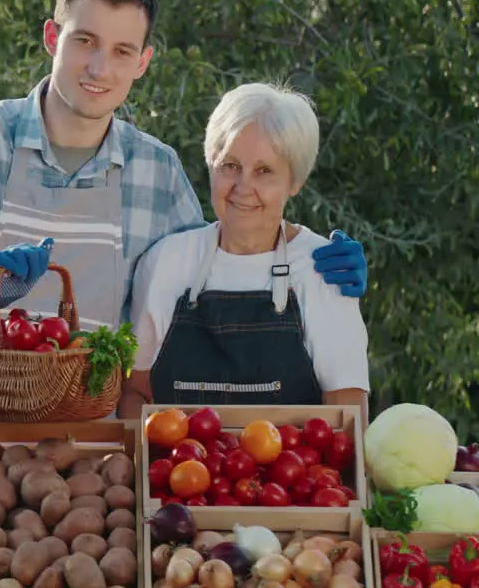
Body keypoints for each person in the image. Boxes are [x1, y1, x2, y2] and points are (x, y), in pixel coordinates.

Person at [0, 0, 369, 419]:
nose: (99, 68)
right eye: (85, 41)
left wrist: (310, 257)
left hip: (97, 446)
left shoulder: (158, 168)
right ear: (53, 37)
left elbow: (218, 259)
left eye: (122, 51)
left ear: (143, 62)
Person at [118, 83, 370, 419]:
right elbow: (136, 394)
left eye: (264, 171)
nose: (242, 188)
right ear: (211, 164)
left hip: (294, 471)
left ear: (295, 182)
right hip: (181, 469)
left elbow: (347, 416)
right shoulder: (166, 262)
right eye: (230, 166)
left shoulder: (324, 270)